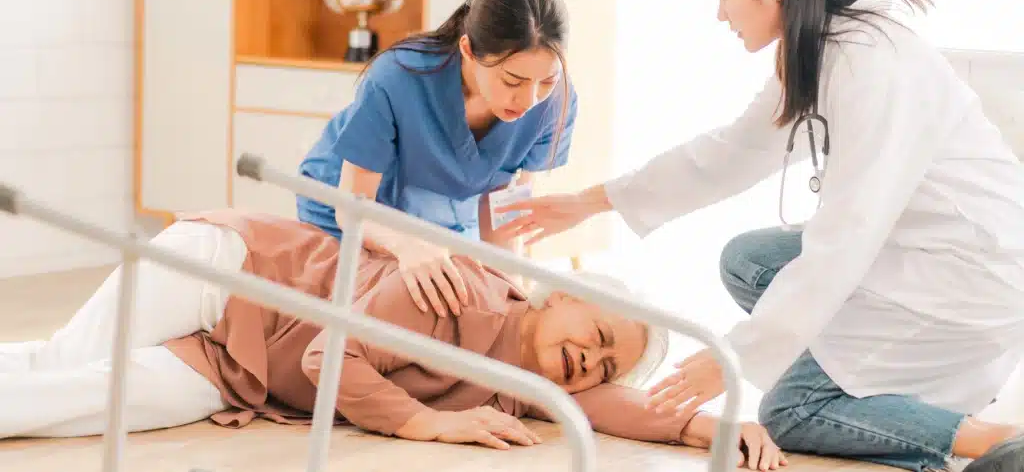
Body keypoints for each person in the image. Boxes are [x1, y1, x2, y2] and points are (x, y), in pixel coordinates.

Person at [496, 0, 1024, 472]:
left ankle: (990, 440)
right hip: (915, 252)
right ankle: (880, 385)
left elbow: (845, 240)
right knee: (748, 261)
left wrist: (729, 360)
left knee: (793, 410)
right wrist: (592, 202)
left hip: (968, 275)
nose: (721, 13)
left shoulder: (872, 65)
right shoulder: (822, 44)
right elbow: (732, 153)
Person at [0, 211, 787, 470]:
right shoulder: (452, 291)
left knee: (98, 398)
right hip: (228, 271)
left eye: (606, 361)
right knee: (65, 360)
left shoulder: (522, 373)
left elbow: (617, 403)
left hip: (239, 365)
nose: (594, 357)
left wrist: (716, 426)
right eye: (598, 334)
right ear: (553, 297)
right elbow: (328, 354)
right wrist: (427, 422)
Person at [297, 0, 579, 320]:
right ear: (468, 51)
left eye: (547, 80)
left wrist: (511, 298)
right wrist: (405, 244)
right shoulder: (399, 78)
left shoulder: (554, 104)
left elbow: (503, 213)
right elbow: (352, 207)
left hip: (426, 214)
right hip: (348, 206)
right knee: (377, 319)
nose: (529, 99)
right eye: (512, 80)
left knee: (475, 309)